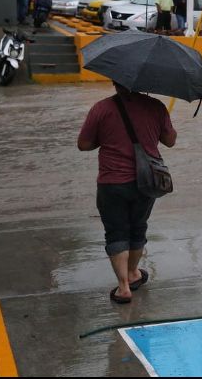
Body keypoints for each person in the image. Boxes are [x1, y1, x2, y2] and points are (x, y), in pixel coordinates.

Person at [78, 81, 177, 304]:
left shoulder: (101, 109)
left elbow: (83, 144)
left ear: (115, 81)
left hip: (111, 183)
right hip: (147, 181)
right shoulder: (156, 107)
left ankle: (123, 286)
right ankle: (133, 273)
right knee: (138, 227)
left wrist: (106, 139)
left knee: (116, 231)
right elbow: (170, 141)